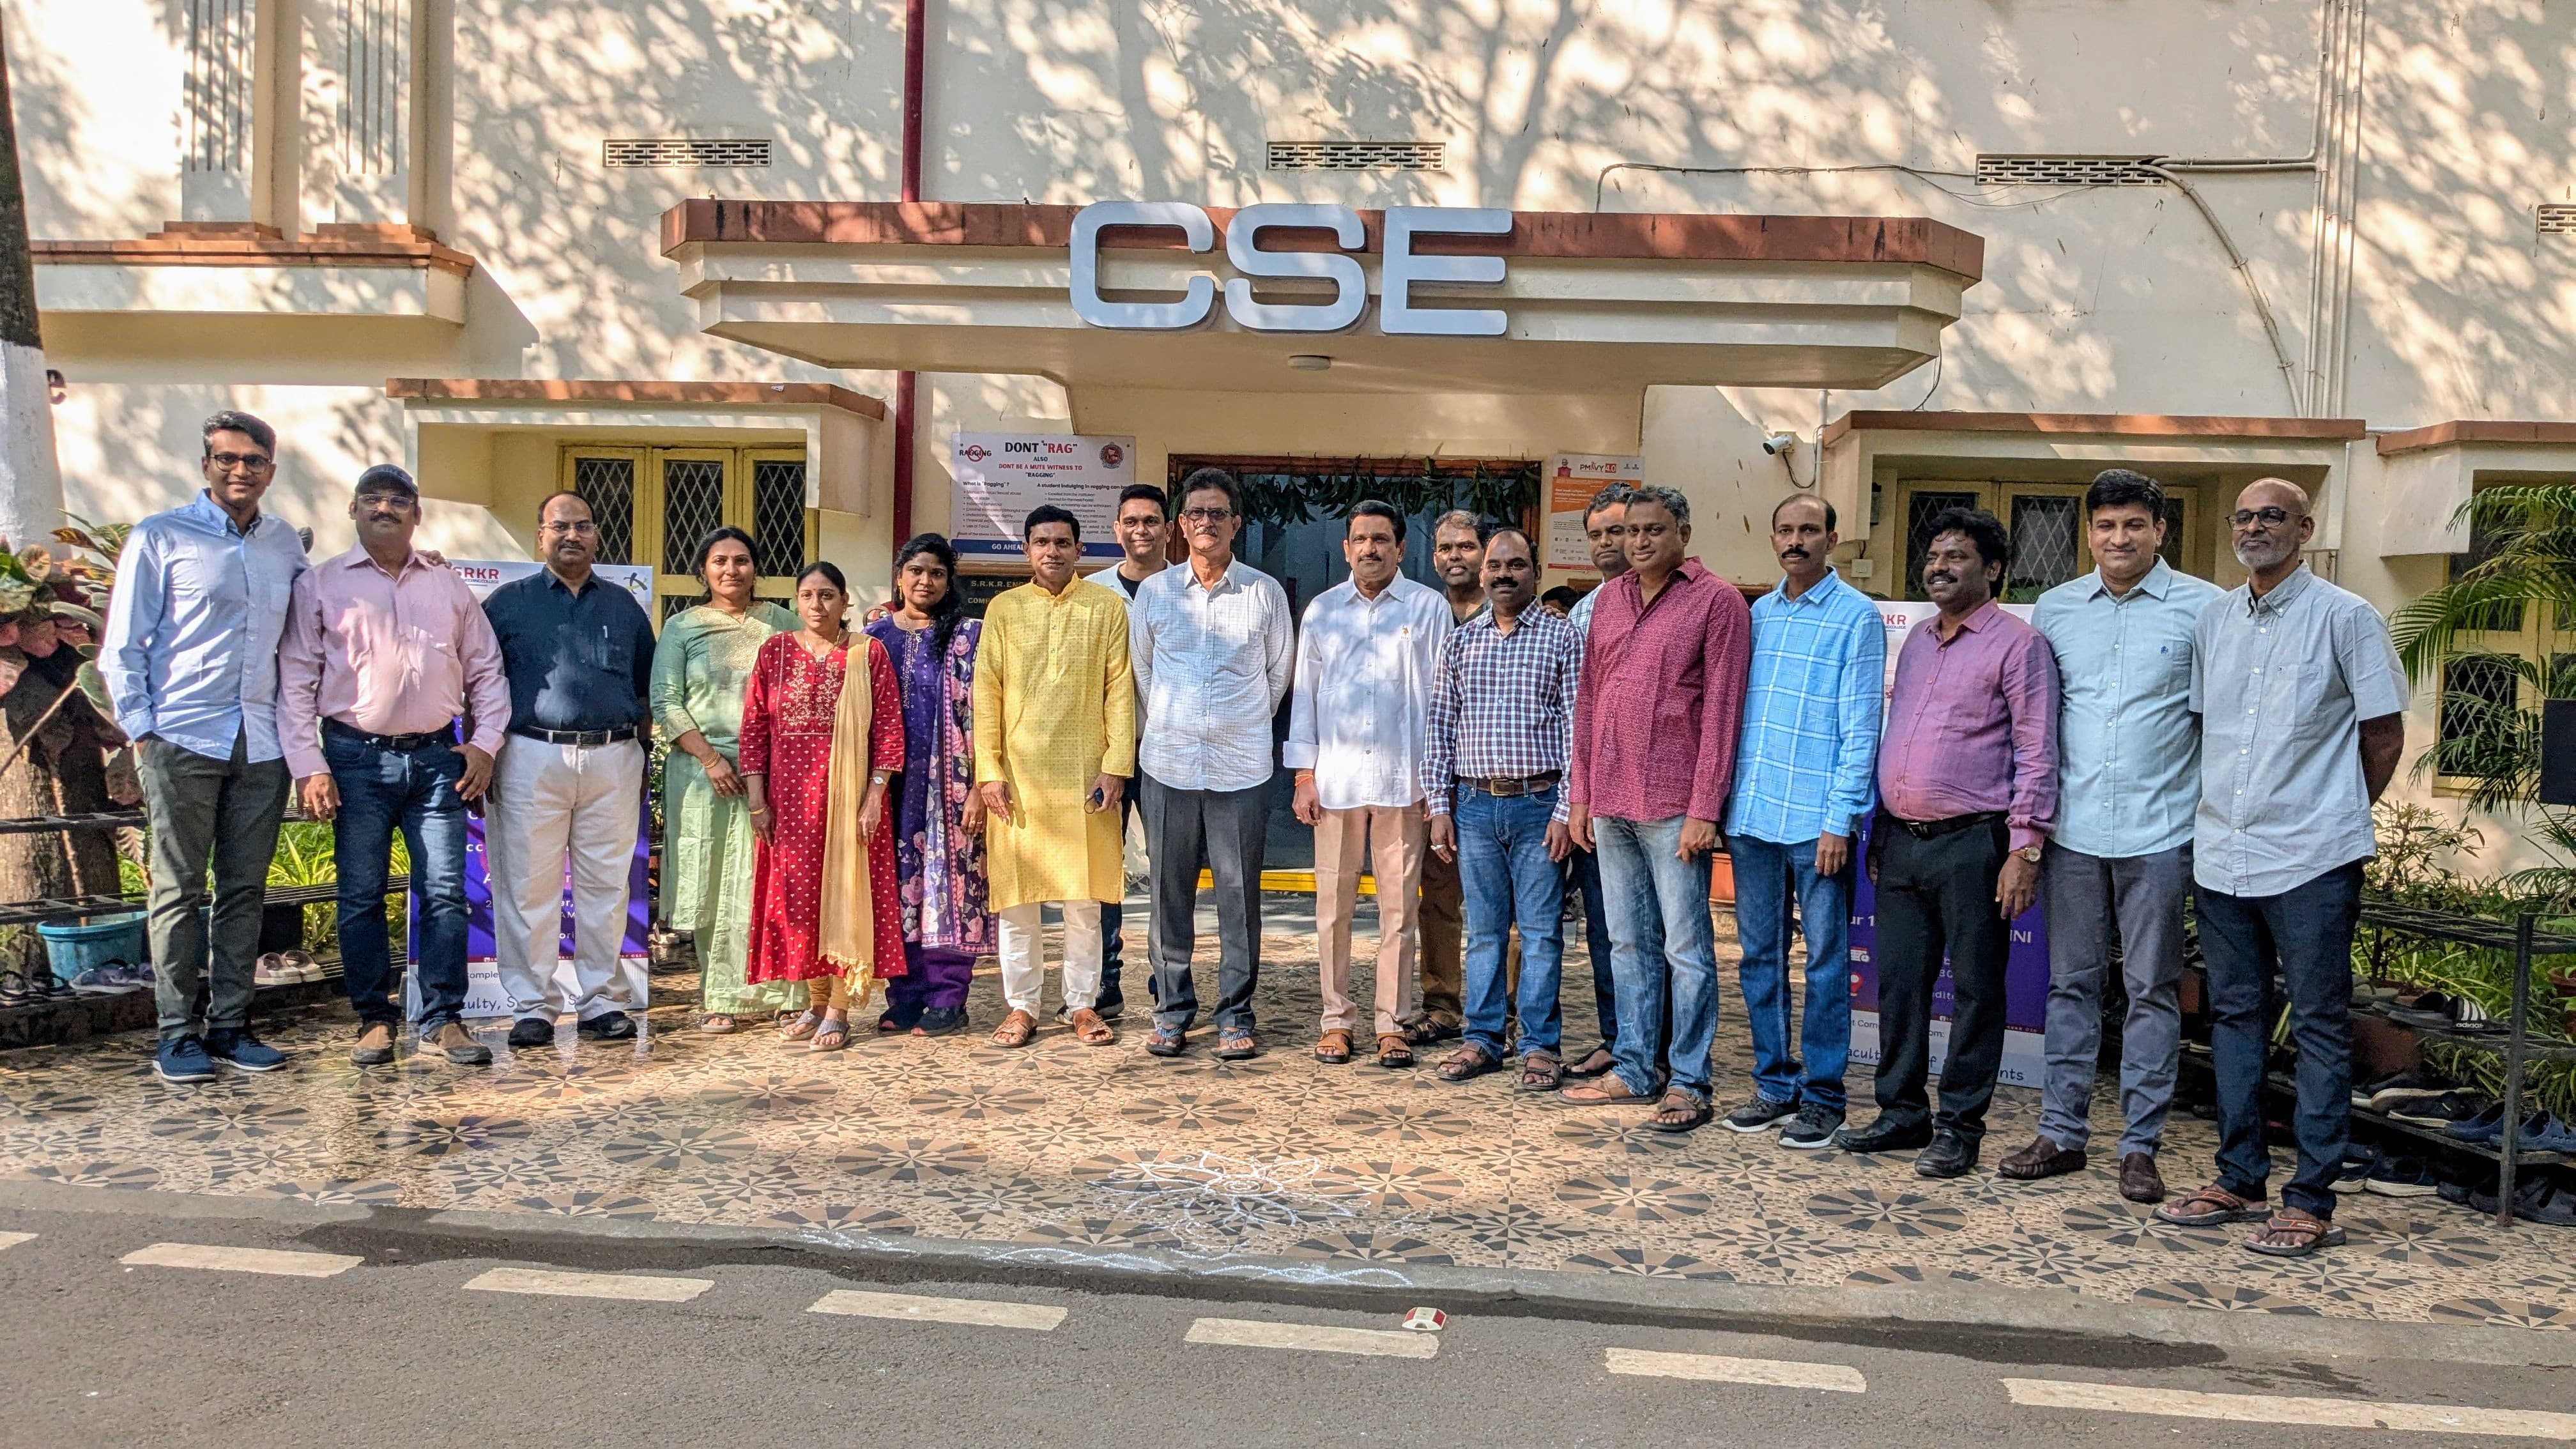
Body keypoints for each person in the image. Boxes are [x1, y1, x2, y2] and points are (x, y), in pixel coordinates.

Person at [2157, 479, 2405, 1258]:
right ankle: (2239, 1178)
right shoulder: (2215, 621)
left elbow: (2384, 738)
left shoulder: (2347, 618)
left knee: (2320, 1026)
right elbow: (2210, 731)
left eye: (2273, 516)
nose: (2255, 527)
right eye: (2245, 516)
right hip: (2222, 855)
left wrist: (2330, 813)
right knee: (2234, 1018)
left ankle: (2311, 1199)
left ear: (2305, 528)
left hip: (2311, 860)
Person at [2009, 471, 2223, 1204]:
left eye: (2134, 524)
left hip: (2161, 832)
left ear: (2160, 530)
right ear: (2089, 533)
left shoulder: (2205, 608)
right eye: (2106, 525)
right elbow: (2038, 724)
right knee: (2069, 985)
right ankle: (2061, 1133)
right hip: (2072, 832)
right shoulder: (2056, 609)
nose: (2119, 538)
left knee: (2151, 990)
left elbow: (2219, 720)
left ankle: (2140, 1147)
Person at [1839, 507, 2058, 1177]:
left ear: (1993, 569)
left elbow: (2037, 751)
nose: (1939, 567)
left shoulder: (2018, 646)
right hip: (1902, 842)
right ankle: (1903, 1112)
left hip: (1976, 844)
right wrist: (1880, 828)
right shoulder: (1917, 643)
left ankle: (1961, 1126)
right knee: (1900, 984)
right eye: (1934, 556)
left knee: (1976, 990)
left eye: (1957, 556)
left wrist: (2025, 850)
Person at [279, 464, 509, 1068]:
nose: (385, 508)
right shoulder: (322, 584)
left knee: (444, 893)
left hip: (437, 760)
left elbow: (486, 670)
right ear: (354, 510)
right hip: (354, 759)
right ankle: (373, 1019)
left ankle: (443, 1018)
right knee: (361, 894)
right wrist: (308, 764)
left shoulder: (448, 586)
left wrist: (485, 744)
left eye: (398, 500)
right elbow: (297, 679)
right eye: (373, 499)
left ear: (417, 514)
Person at [100, 411, 307, 1081]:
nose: (240, 470)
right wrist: (144, 730)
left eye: (253, 461)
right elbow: (123, 645)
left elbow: (312, 626)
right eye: (227, 459)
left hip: (262, 741)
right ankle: (176, 1033)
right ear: (206, 465)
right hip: (182, 736)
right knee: (179, 888)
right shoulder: (161, 537)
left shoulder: (284, 544)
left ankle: (231, 1026)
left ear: (270, 471)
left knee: (245, 889)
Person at [1563, 486, 1751, 1132]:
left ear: (1683, 533)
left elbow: (1723, 712)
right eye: (1630, 531)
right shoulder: (1609, 602)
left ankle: (1690, 1081)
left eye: (1653, 530)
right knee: (1625, 942)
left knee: (1686, 947)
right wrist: (1581, 795)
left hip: (1675, 806)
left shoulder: (1717, 601)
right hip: (1611, 800)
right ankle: (1636, 1068)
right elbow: (1589, 701)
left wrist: (1706, 808)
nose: (1638, 542)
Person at [1719, 494, 1883, 1149]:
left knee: (1825, 963)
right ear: (1773, 539)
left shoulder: (1857, 616)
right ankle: (1774, 1084)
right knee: (1759, 957)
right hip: (1753, 816)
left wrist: (1841, 820)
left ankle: (1823, 1096)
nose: (1796, 541)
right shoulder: (1758, 615)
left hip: (1817, 824)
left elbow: (1861, 728)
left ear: (1831, 539)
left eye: (1809, 530)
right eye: (1785, 530)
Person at [482, 491, 659, 1048]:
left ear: (596, 536)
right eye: (560, 527)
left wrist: (640, 753)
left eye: (583, 526)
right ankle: (532, 1005)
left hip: (613, 756)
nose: (572, 536)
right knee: (526, 886)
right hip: (530, 753)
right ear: (541, 535)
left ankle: (601, 1000)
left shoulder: (624, 607)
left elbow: (646, 688)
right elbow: (479, 684)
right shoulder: (506, 605)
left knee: (605, 885)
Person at [1130, 467, 1292, 1060]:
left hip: (1240, 770)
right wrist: (1180, 724)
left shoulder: (1264, 593)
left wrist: (1235, 723)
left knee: (1238, 898)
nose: (1207, 522)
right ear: (1181, 525)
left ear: (1236, 523)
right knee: (1167, 896)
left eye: (1218, 513)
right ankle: (1172, 1011)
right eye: (1196, 513)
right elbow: (1144, 673)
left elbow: (1278, 675)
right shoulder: (1156, 593)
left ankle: (1235, 1013)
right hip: (1168, 764)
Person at [1287, 501, 1452, 1070]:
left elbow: (1442, 702)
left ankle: (1391, 1023)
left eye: (1382, 540)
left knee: (1398, 912)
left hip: (1405, 784)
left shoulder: (1428, 609)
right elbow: (1304, 696)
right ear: (1347, 548)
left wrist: (1436, 783)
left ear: (1400, 549)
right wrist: (1303, 775)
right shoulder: (1323, 611)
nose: (1370, 549)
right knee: (1332, 909)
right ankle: (1336, 1020)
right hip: (1336, 784)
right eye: (1360, 539)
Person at [1422, 528, 1579, 1089]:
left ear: (1535, 572)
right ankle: (1483, 1039)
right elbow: (1440, 726)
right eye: (1495, 566)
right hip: (1474, 806)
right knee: (1484, 932)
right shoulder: (1462, 642)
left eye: (1516, 565)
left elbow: (1576, 730)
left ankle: (1539, 1046)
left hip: (1540, 805)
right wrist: (1439, 805)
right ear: (1483, 573)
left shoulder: (1562, 638)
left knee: (1540, 933)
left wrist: (1567, 809)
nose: (1504, 575)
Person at [977, 507, 1137, 1046]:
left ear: (1079, 550)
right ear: (1027, 550)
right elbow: (986, 693)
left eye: (1063, 542)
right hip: (1018, 778)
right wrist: (988, 771)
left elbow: (1119, 688)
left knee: (1083, 901)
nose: (1052, 551)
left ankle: (1083, 1004)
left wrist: (1115, 766)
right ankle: (1021, 1007)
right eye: (1042, 542)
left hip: (1084, 775)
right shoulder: (1004, 609)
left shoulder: (1105, 606)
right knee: (1017, 903)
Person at [740, 562, 907, 1051]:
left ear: (845, 601)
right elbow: (754, 729)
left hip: (850, 801)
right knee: (801, 901)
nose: (818, 604)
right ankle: (814, 1004)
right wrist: (757, 801)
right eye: (809, 595)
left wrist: (874, 797)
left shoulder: (867, 653)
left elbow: (889, 732)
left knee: (845, 897)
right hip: (789, 804)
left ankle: (838, 1008)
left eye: (828, 595)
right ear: (797, 601)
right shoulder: (774, 652)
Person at [651, 526, 802, 1034]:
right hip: (703, 774)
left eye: (741, 560)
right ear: (703, 570)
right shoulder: (682, 627)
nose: (731, 570)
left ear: (756, 568)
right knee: (716, 882)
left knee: (773, 879)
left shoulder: (782, 623)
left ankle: (786, 992)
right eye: (720, 561)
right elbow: (665, 702)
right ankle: (720, 996)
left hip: (774, 772)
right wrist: (712, 760)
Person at [866, 533, 994, 1038]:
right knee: (894, 889)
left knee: (949, 888)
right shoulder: (873, 638)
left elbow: (990, 713)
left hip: (951, 788)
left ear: (948, 581)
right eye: (916, 571)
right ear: (899, 576)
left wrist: (981, 785)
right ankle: (904, 996)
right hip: (889, 788)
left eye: (937, 573)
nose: (926, 581)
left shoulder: (969, 636)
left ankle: (947, 997)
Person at [1560, 483, 1659, 1082]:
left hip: (1659, 800)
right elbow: (1577, 711)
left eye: (1618, 531)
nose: (1607, 544)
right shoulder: (1584, 613)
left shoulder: (1680, 602)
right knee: (1608, 927)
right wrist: (1576, 798)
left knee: (1663, 933)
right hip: (1598, 799)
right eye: (1596, 534)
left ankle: (1661, 1051)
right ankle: (1619, 1039)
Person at [1085, 481, 1170, 1019]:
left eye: (1151, 521)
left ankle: (1168, 979)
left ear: (1168, 528)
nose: (1141, 531)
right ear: (1117, 529)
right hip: (1103, 755)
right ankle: (1105, 980)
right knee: (1103, 869)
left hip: (1167, 752)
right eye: (1131, 521)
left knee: (1168, 869)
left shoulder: (1186, 588)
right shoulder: (1092, 593)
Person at [1408, 507, 1491, 1044]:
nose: (1454, 556)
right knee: (1437, 898)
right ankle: (1441, 1005)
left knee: (1500, 907)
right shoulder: (1423, 614)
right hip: (1439, 782)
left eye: (1465, 546)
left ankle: (1503, 1015)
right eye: (1445, 547)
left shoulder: (1507, 614)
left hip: (1496, 783)